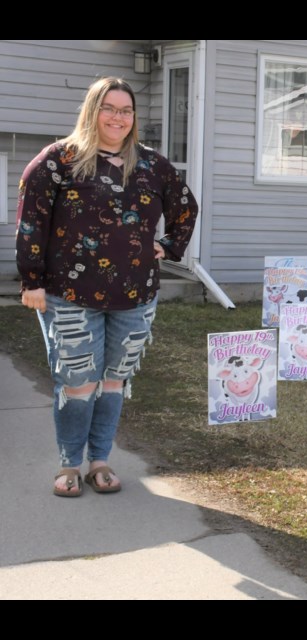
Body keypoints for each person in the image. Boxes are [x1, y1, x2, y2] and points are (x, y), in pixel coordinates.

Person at [15, 77, 198, 497]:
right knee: (78, 382)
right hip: (68, 295)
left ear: (134, 118)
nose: (118, 117)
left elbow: (185, 208)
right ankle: (68, 465)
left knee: (114, 381)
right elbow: (31, 221)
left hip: (135, 296)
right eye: (109, 108)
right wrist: (32, 281)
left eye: (126, 110)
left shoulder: (152, 165)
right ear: (92, 110)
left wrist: (167, 246)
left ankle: (100, 461)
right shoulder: (57, 160)